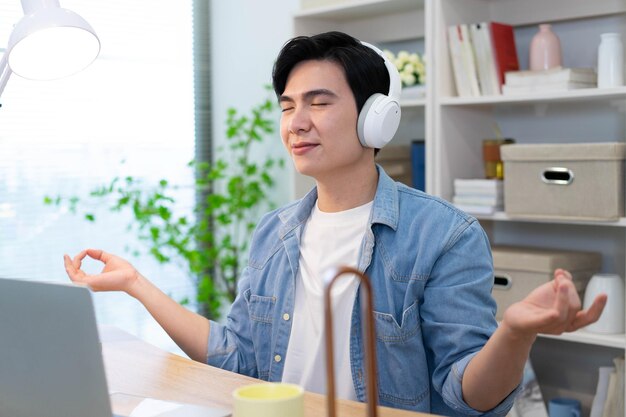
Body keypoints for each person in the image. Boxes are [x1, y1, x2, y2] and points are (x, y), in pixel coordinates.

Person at [64, 31, 607, 416]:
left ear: (376, 117)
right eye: (287, 106)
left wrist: (515, 332)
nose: (296, 123)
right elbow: (238, 359)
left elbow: (470, 398)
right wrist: (136, 285)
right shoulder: (273, 233)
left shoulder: (444, 236)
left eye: (318, 103)